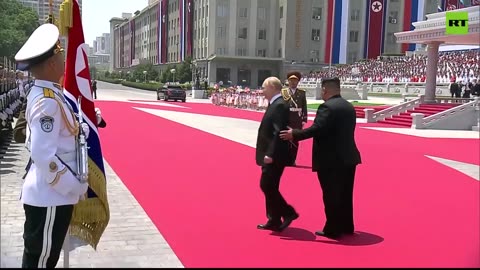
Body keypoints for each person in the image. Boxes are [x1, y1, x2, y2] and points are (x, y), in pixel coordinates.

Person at [14, 23, 90, 268]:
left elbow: (63, 133)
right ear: (50, 64)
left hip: (52, 196)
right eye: (60, 56)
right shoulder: (47, 102)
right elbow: (42, 154)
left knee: (45, 259)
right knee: (41, 261)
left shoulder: (51, 95)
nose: (63, 60)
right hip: (51, 195)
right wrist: (72, 187)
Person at [280, 77, 362, 239]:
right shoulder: (348, 106)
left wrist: (294, 134)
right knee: (345, 194)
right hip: (349, 156)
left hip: (331, 159)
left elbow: (316, 129)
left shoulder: (327, 107)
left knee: (331, 194)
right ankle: (346, 225)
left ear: (325, 90)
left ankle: (332, 228)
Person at [256, 77, 299, 232]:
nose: (262, 91)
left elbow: (278, 132)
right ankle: (273, 219)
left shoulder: (280, 105)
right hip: (272, 153)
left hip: (274, 155)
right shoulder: (275, 104)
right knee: (270, 186)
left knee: (266, 185)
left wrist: (270, 153)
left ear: (272, 87)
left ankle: (288, 212)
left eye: (263, 87)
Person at [281, 71, 307, 166]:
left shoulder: (302, 93)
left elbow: (304, 106)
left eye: (295, 80)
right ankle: (285, 159)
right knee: (285, 140)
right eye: (291, 80)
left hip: (297, 120)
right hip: (287, 119)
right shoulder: (284, 92)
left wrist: (304, 119)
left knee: (295, 141)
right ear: (288, 81)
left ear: (298, 82)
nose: (293, 82)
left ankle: (292, 160)